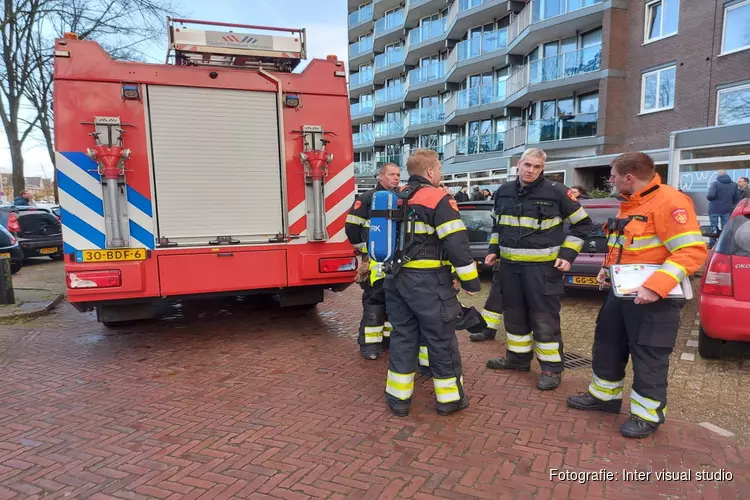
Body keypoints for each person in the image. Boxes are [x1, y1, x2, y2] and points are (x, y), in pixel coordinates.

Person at [567, 152, 707, 438]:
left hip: (654, 299)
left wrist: (655, 287)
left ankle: (646, 416)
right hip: (622, 293)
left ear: (629, 177)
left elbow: (691, 251)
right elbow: (624, 245)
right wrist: (607, 269)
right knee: (608, 344)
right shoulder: (630, 204)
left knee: (649, 356)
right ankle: (604, 397)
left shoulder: (671, 202)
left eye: (614, 176)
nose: (611, 180)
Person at [484, 148, 593, 390]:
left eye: (537, 167)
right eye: (527, 165)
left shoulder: (557, 193)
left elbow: (583, 225)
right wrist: (493, 250)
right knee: (514, 316)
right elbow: (497, 226)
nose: (531, 170)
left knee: (544, 320)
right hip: (510, 268)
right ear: (518, 165)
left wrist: (567, 255)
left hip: (543, 270)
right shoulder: (503, 192)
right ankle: (518, 359)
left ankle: (551, 369)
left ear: (542, 169)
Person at [383, 149, 481, 417]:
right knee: (441, 340)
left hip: (395, 280)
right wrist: (471, 282)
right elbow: (457, 244)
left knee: (403, 337)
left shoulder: (396, 197)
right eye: (439, 168)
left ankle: (398, 400)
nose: (440, 173)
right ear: (429, 171)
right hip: (429, 283)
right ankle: (449, 400)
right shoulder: (439, 199)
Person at [345, 163, 401, 360]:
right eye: (391, 174)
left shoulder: (401, 198)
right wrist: (364, 250)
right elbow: (352, 226)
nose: (395, 178)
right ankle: (369, 345)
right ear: (380, 176)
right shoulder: (367, 198)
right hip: (373, 261)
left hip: (396, 262)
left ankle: (387, 342)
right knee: (374, 303)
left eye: (398, 174)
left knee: (393, 303)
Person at [706, 170, 739, 248]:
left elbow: (710, 196)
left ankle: (712, 243)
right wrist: (730, 204)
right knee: (725, 227)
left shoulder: (715, 183)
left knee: (714, 226)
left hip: (714, 208)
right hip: (727, 208)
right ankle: (724, 243)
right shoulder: (734, 184)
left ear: (718, 175)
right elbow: (737, 198)